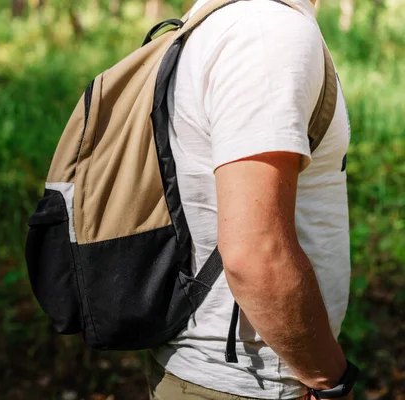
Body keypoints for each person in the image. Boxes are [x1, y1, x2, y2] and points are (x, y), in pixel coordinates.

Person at [147, 0, 354, 399]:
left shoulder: (220, 15)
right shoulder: (268, 33)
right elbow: (255, 254)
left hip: (211, 372)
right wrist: (330, 377)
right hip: (251, 380)